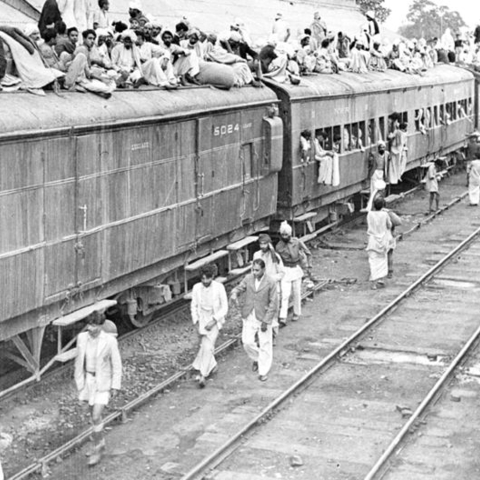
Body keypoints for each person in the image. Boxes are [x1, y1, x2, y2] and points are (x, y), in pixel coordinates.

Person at [74, 311, 122, 466]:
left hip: (102, 383)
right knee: (93, 418)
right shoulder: (82, 338)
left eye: (94, 325)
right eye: (89, 325)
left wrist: (115, 385)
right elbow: (78, 362)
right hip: (88, 382)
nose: (90, 328)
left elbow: (117, 364)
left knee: (96, 416)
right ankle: (100, 443)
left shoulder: (109, 341)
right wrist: (80, 385)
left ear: (101, 326)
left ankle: (97, 448)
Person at [230, 259, 278, 382]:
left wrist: (266, 321)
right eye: (253, 270)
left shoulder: (271, 282)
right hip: (249, 314)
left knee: (265, 344)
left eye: (257, 270)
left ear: (263, 269)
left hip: (263, 316)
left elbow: (274, 303)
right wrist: (234, 293)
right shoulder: (248, 278)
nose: (255, 272)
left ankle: (263, 371)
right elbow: (240, 288)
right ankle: (257, 358)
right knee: (246, 342)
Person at [190, 265, 228, 388]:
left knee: (207, 346)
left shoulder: (219, 287)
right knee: (205, 346)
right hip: (202, 319)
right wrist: (196, 321)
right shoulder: (196, 288)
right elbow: (194, 306)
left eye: (208, 279)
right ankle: (213, 365)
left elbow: (224, 308)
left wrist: (214, 320)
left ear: (212, 277)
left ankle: (203, 374)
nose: (205, 282)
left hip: (214, 319)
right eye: (203, 279)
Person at [276, 221, 311, 327]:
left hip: (296, 269)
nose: (284, 236)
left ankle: (296, 312)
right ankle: (283, 317)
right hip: (285, 270)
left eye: (286, 235)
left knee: (296, 292)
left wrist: (308, 267)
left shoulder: (297, 242)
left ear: (290, 234)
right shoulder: (278, 246)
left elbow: (308, 252)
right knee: (285, 294)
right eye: (283, 235)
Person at [253, 234, 284, 344]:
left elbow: (281, 273)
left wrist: (270, 279)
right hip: (260, 289)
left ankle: (273, 336)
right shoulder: (256, 255)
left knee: (273, 313)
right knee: (260, 312)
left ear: (269, 244)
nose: (262, 246)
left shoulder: (275, 257)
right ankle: (259, 336)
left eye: (265, 244)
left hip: (273, 289)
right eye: (261, 244)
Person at [366, 196, 392, 289]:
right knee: (382, 260)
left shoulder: (370, 214)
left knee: (373, 261)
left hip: (372, 240)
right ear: (383, 206)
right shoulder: (385, 215)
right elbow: (389, 225)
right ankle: (381, 279)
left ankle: (374, 283)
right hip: (383, 240)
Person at [366, 141, 389, 211]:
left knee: (381, 190)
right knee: (373, 190)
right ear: (378, 148)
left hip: (382, 173)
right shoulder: (374, 154)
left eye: (383, 147)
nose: (382, 149)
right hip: (375, 173)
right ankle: (372, 206)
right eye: (380, 147)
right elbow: (370, 162)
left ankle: (380, 205)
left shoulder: (387, 154)